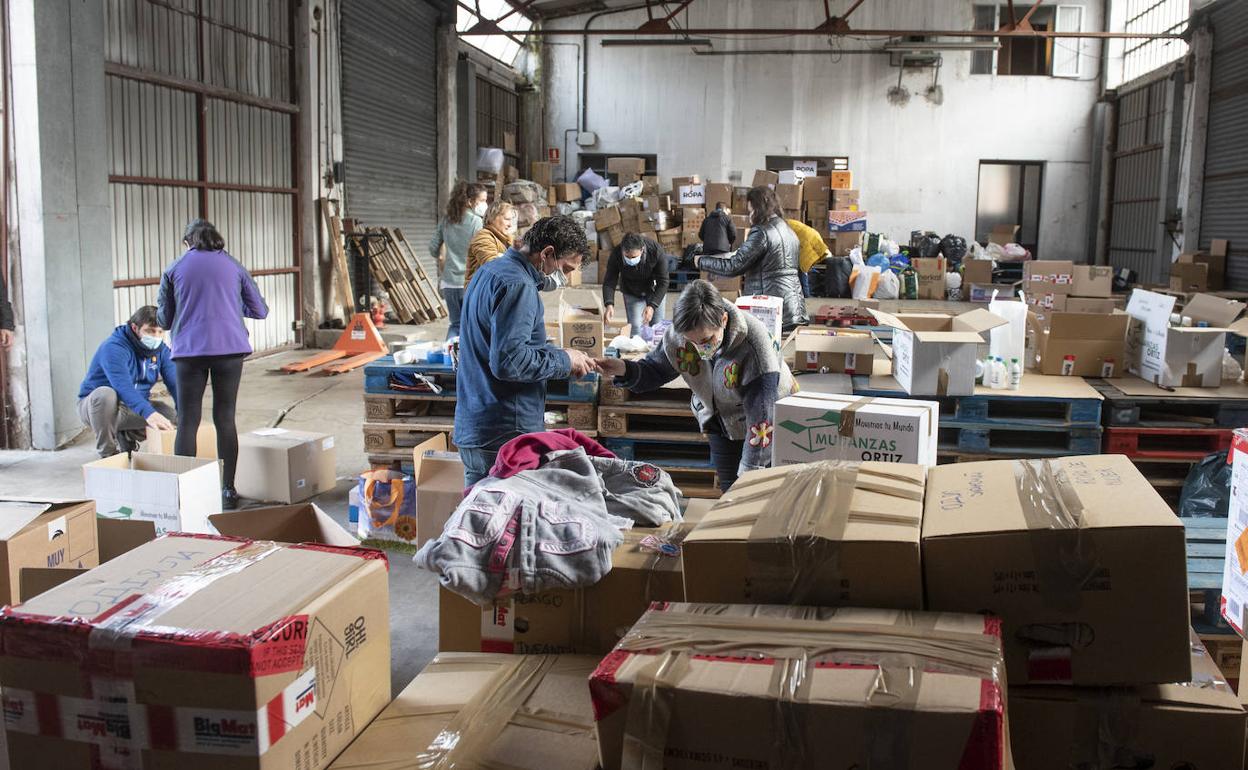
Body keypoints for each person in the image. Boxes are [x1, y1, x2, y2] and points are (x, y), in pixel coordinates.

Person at [595, 280, 795, 492]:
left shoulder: (755, 347)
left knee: (757, 489)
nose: (699, 349)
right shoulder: (679, 333)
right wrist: (622, 368)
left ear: (724, 320)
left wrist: (750, 472)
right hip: (722, 418)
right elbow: (656, 369)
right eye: (691, 342)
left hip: (768, 418)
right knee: (730, 491)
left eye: (707, 340)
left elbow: (762, 421)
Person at [455, 215, 598, 487]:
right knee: (505, 513)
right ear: (547, 253)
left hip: (476, 425)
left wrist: (558, 353)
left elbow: (502, 346)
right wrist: (564, 360)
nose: (566, 278)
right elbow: (510, 362)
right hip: (504, 434)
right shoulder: (518, 286)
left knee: (477, 510)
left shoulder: (489, 271)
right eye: (566, 268)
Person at [158, 219, 268, 510]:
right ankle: (228, 491)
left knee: (188, 420)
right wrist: (230, 305)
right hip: (229, 350)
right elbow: (260, 310)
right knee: (225, 418)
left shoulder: (174, 268)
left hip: (189, 351)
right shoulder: (233, 265)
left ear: (188, 242)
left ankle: (185, 493)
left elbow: (164, 320)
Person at [695, 186, 809, 332]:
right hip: (792, 307)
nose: (750, 216)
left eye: (751, 211)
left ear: (759, 208)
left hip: (768, 310)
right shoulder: (788, 230)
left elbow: (734, 266)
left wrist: (701, 261)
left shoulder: (762, 231)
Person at [77, 306, 179, 458]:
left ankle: (126, 435)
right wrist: (149, 413)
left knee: (170, 416)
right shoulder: (114, 347)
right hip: (97, 408)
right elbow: (123, 387)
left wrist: (184, 410)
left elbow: (175, 382)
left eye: (160, 332)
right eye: (150, 331)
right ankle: (108, 453)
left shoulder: (161, 350)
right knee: (105, 395)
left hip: (129, 409)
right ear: (135, 328)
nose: (156, 337)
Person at [430, 181, 486, 339]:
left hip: (449, 283)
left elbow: (432, 248)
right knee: (472, 326)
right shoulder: (476, 222)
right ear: (470, 201)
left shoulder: (446, 221)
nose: (485, 204)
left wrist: (445, 257)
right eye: (482, 200)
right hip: (469, 283)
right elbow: (482, 253)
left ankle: (449, 354)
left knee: (455, 324)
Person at [602, 232, 670, 333]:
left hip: (654, 289)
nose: (630, 260)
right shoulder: (616, 253)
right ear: (622, 250)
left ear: (642, 250)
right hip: (631, 290)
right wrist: (609, 304)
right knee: (635, 326)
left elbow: (663, 282)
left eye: (634, 257)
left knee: (657, 326)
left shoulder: (655, 251)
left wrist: (652, 306)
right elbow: (609, 280)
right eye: (627, 257)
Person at [465, 200, 517, 286]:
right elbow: (493, 266)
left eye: (511, 220)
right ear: (493, 218)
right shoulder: (482, 237)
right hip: (480, 292)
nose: (510, 224)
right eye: (507, 219)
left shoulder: (507, 239)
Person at [787, 218, 832, 298]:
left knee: (802, 269)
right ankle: (805, 293)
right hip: (812, 238)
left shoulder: (779, 226)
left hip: (806, 242)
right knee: (804, 269)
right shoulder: (786, 223)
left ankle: (805, 294)